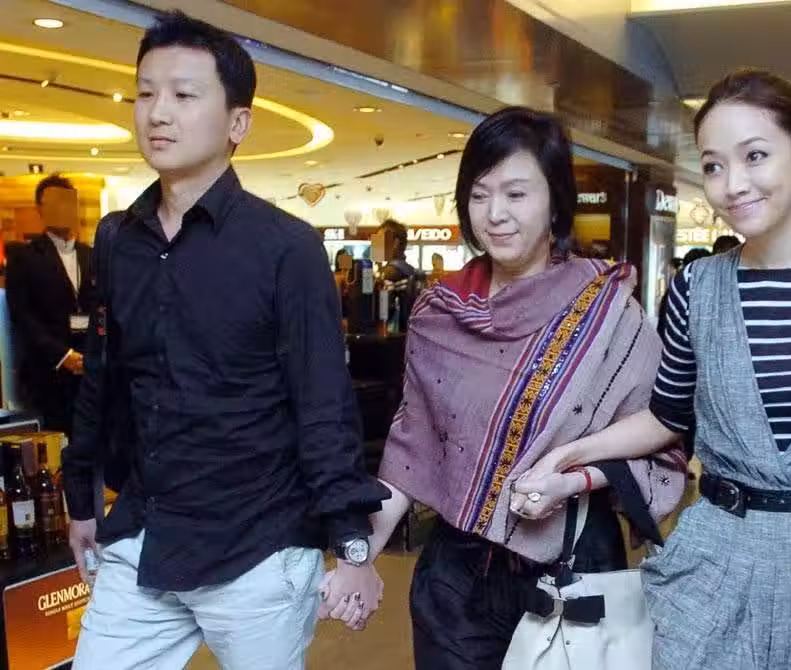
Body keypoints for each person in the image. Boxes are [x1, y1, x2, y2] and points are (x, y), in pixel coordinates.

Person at [515, 69, 791, 669]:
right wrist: (568, 455)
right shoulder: (696, 286)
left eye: (755, 156)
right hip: (716, 561)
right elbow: (667, 416)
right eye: (714, 166)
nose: (732, 184)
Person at [61, 11, 389, 669]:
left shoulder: (286, 248)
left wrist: (351, 546)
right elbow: (104, 377)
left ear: (238, 123)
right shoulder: (118, 239)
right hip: (146, 532)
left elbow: (323, 405)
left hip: (257, 544)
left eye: (184, 95)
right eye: (145, 93)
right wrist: (80, 500)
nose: (158, 113)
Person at [318, 106, 687, 668]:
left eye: (516, 194)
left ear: (555, 201)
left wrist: (573, 477)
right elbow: (413, 448)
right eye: (480, 195)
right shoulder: (439, 313)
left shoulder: (607, 315)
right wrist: (359, 556)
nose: (495, 215)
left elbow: (661, 432)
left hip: (571, 568)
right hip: (456, 577)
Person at [6, 175, 97, 435]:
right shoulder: (24, 257)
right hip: (47, 374)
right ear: (40, 209)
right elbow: (23, 316)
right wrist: (63, 355)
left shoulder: (91, 255)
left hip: (90, 373)